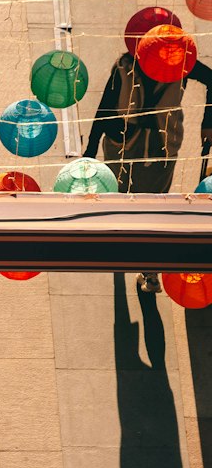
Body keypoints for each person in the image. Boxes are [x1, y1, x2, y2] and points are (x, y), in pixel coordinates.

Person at [84, 51, 212, 290]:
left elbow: (105, 108)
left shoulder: (125, 64)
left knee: (120, 198)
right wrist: (208, 123)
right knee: (155, 206)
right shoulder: (179, 61)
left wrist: (89, 152)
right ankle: (150, 271)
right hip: (162, 144)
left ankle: (120, 246)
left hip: (125, 143)